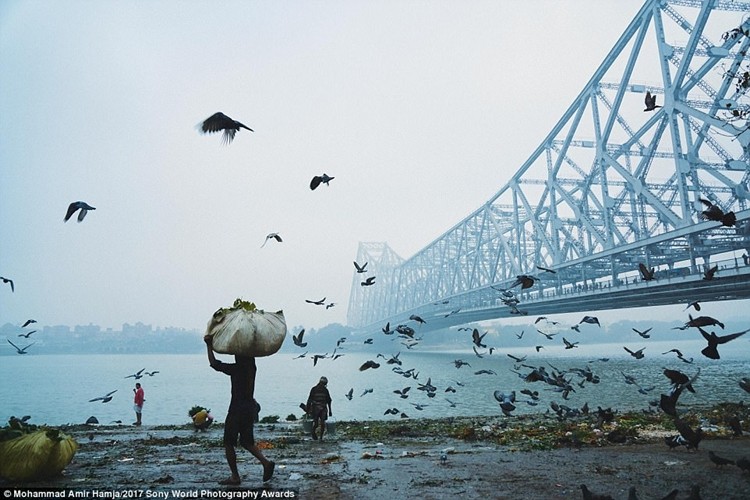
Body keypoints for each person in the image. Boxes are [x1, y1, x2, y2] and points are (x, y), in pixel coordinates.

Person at [204, 335, 274, 485]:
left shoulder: (236, 369)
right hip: (250, 407)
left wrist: (209, 345)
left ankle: (235, 476)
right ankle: (265, 463)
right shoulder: (252, 368)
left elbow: (214, 364)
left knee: (229, 442)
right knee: (247, 442)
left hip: (237, 409)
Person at [306, 376, 332, 440]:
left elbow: (329, 400)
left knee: (323, 423)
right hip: (315, 408)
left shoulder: (325, 390)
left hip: (323, 408)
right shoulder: (314, 389)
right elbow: (309, 399)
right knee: (316, 423)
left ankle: (321, 437)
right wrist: (308, 409)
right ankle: (313, 433)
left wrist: (330, 411)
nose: (324, 385)